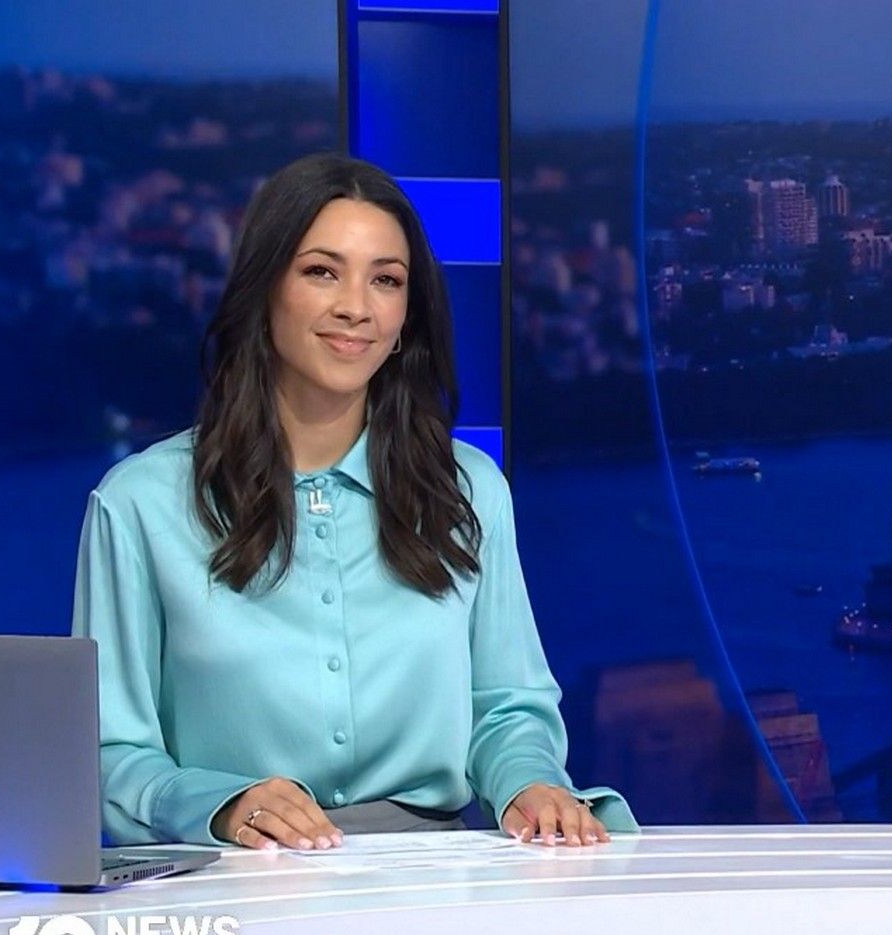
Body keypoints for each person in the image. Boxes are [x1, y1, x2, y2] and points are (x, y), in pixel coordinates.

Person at [73, 153, 634, 850]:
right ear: (264, 288)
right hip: (234, 878)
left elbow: (507, 708)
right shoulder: (139, 505)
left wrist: (529, 784)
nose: (356, 307)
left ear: (407, 314)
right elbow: (109, 752)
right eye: (321, 271)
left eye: (386, 280)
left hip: (434, 878)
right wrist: (221, 804)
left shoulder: (468, 488)